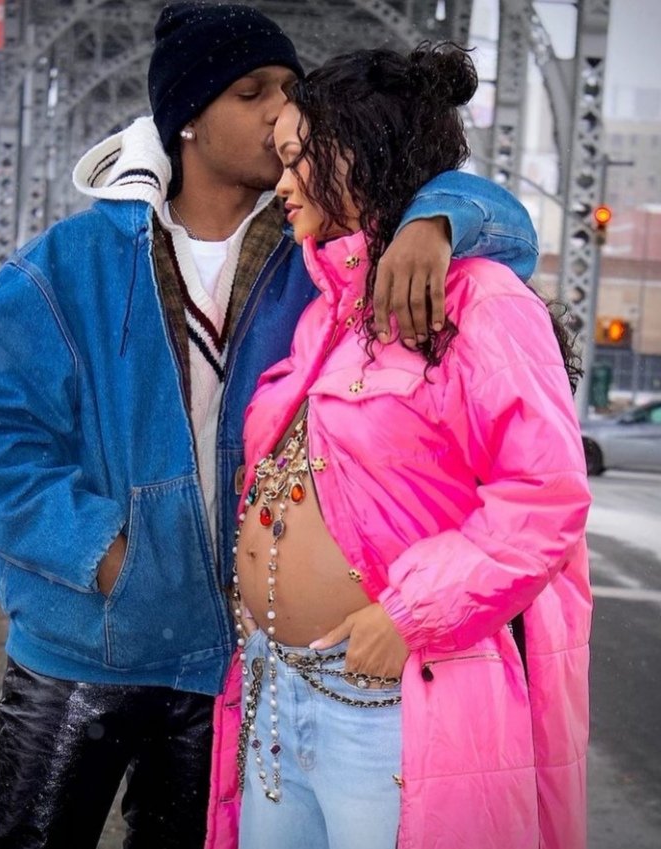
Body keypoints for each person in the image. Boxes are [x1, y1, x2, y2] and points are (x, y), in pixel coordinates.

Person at [0, 4, 541, 848]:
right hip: (82, 648)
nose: (280, 111)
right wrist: (107, 553)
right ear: (187, 118)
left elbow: (505, 224)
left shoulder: (318, 254)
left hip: (231, 665)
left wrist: (433, 220)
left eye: (291, 89)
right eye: (251, 91)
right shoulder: (66, 264)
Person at [207, 42, 592, 849]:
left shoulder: (480, 301)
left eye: (297, 159)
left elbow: (543, 499)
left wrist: (410, 614)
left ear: (356, 150)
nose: (282, 184)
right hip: (277, 691)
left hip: (388, 703)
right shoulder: (326, 312)